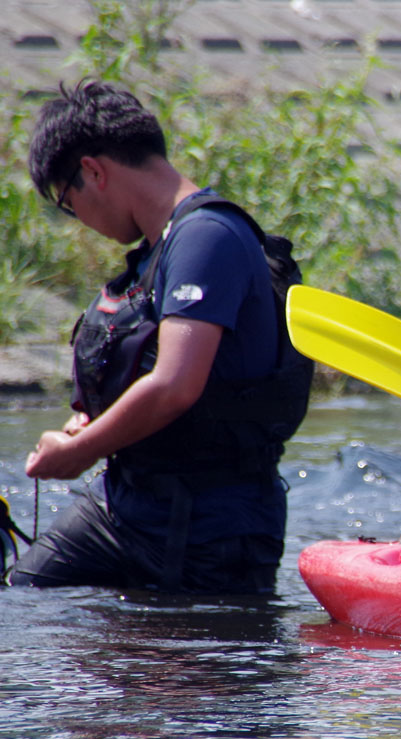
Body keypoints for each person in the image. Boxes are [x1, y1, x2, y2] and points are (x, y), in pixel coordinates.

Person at [9, 80, 310, 594]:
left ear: (93, 171)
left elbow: (175, 385)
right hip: (128, 505)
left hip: (208, 525)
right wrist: (84, 426)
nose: (78, 221)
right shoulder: (160, 248)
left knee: (172, 667)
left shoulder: (207, 237)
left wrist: (78, 453)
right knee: (25, 590)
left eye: (67, 203)